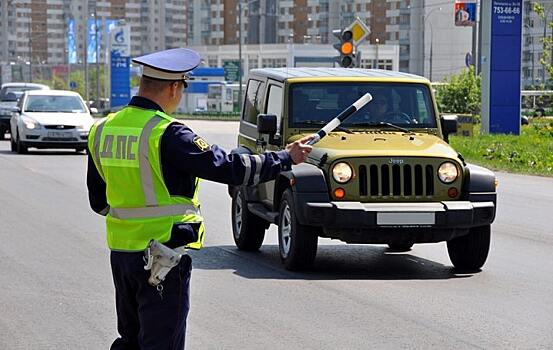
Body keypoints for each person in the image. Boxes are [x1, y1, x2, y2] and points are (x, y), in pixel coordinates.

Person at [86, 48, 313, 349]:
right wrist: (286, 157)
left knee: (130, 340)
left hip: (122, 256)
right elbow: (230, 168)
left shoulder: (103, 129)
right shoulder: (166, 133)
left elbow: (98, 201)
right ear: (173, 87)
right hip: (161, 258)